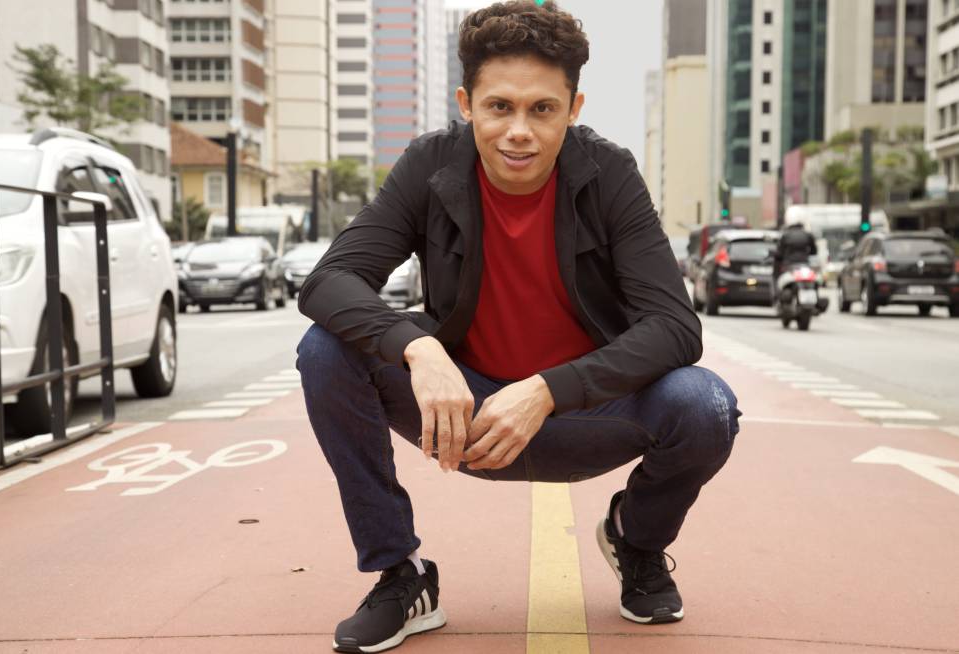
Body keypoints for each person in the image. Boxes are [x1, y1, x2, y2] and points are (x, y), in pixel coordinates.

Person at [295, 2, 741, 651]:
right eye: (500, 106)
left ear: (574, 106)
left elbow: (675, 325)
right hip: (465, 413)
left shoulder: (608, 173)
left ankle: (636, 542)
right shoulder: (431, 164)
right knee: (325, 350)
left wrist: (549, 388)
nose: (519, 132)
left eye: (542, 109)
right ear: (467, 101)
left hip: (585, 415)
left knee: (705, 404)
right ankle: (401, 573)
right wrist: (418, 349)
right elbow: (329, 280)